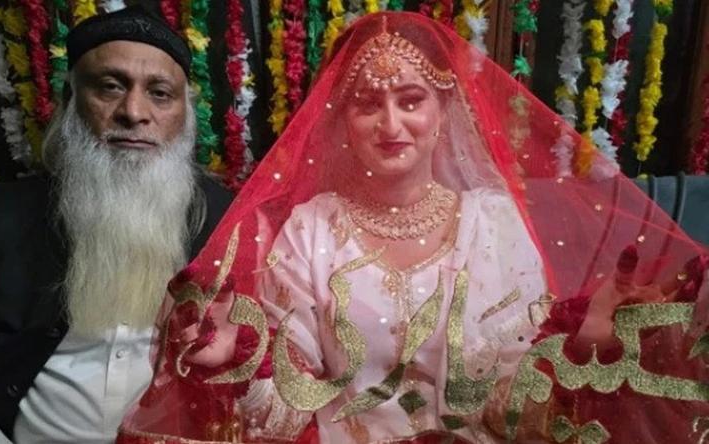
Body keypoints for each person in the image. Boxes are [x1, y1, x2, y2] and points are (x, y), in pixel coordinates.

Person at [117, 12, 709, 444]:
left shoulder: (494, 225)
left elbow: (515, 413)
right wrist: (236, 365)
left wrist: (581, 348)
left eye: (410, 99)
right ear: (342, 121)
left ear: (443, 110)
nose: (391, 123)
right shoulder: (312, 230)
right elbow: (288, 414)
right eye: (367, 103)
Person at [0, 6, 232, 444]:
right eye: (110, 86)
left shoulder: (229, 222)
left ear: (185, 115)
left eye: (160, 93)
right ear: (70, 100)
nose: (133, 112)